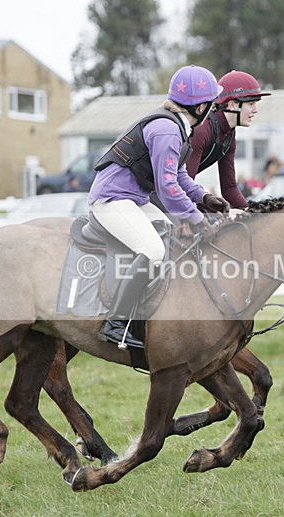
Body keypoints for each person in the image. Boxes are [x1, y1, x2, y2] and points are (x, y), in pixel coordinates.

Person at [87, 65, 229, 349]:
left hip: (133, 200)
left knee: (172, 237)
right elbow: (167, 189)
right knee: (153, 250)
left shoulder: (176, 127)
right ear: (200, 106)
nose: (213, 109)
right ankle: (115, 322)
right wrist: (197, 218)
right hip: (112, 201)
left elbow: (178, 176)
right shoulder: (167, 130)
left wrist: (202, 197)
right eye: (212, 104)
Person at [185, 70, 271, 210]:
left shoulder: (229, 134)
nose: (255, 110)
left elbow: (229, 188)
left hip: (174, 192)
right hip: (152, 191)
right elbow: (183, 186)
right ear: (231, 105)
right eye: (251, 104)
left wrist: (253, 214)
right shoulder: (202, 130)